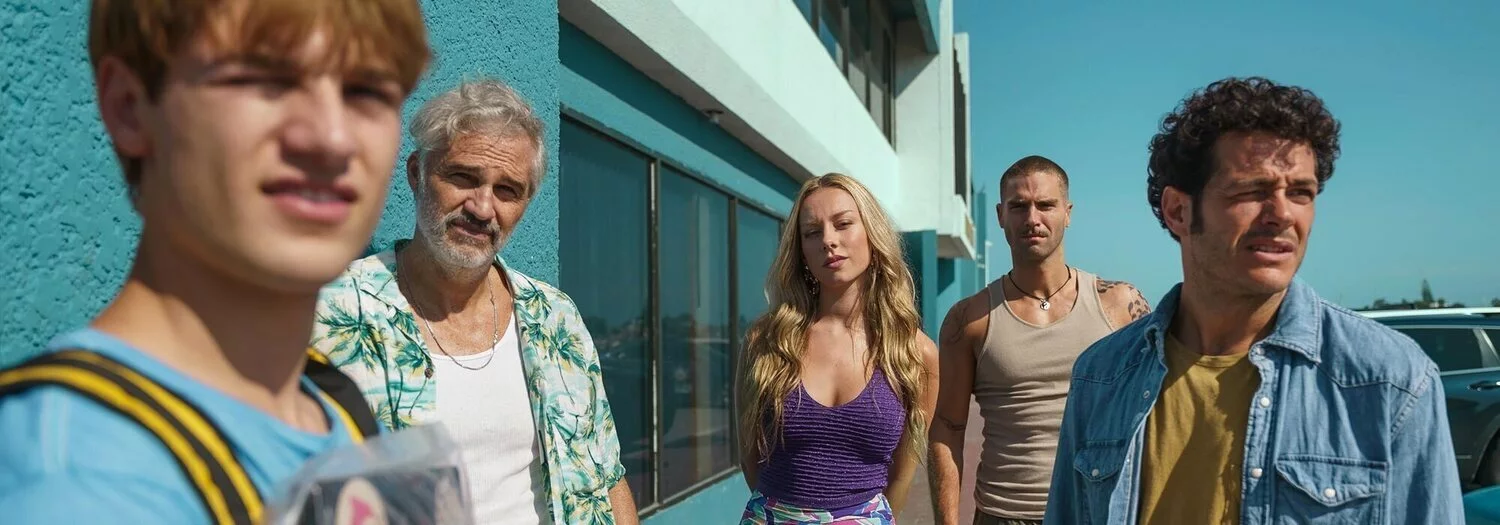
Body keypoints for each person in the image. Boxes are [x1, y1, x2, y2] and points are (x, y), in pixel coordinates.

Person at [0, 0, 430, 522]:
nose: (331, 139)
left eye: (367, 91)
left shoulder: (334, 407)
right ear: (130, 107)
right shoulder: (77, 481)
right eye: (262, 79)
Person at [1043, 77, 1463, 524]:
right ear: (1178, 211)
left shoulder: (1390, 381)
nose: (1282, 214)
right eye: (1252, 191)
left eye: (1300, 193)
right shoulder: (1102, 376)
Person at [310, 78, 639, 525]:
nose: (483, 208)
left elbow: (608, 476)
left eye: (507, 190)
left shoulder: (556, 319)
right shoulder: (332, 314)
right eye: (463, 177)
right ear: (416, 173)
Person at [928, 156, 1150, 525]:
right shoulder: (968, 319)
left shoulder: (1120, 305)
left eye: (1046, 205)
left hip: (1097, 510)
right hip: (1003, 514)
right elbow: (948, 428)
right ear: (1000, 215)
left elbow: (1153, 414)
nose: (1032, 218)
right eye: (1019, 206)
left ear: (1068, 213)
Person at [736, 173, 940, 524]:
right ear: (801, 252)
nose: (829, 240)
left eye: (843, 224)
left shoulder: (914, 353)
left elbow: (901, 477)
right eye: (812, 232)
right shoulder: (765, 341)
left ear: (872, 234)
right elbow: (749, 457)